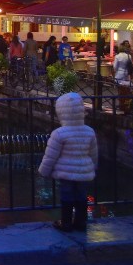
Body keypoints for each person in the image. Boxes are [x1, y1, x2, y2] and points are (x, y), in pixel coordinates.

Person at [38, 92, 98, 232]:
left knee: (67, 196)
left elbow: (50, 156)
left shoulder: (59, 133)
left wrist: (43, 171)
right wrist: (93, 166)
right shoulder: (89, 131)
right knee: (81, 196)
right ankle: (81, 222)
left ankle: (65, 222)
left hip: (66, 172)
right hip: (83, 171)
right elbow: (93, 153)